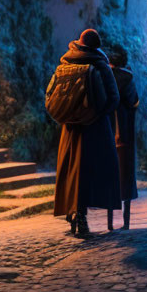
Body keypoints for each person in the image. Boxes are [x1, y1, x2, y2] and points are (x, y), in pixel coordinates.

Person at [52, 29, 121, 237]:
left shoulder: (65, 63)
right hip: (94, 128)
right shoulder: (99, 64)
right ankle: (81, 218)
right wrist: (97, 113)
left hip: (69, 128)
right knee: (91, 171)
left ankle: (70, 209)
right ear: (96, 46)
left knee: (70, 170)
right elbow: (113, 97)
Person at [106, 44, 139, 230]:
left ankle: (109, 222)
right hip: (124, 132)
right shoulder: (127, 78)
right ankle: (126, 221)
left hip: (107, 132)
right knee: (125, 175)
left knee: (110, 175)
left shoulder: (103, 77)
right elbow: (134, 101)